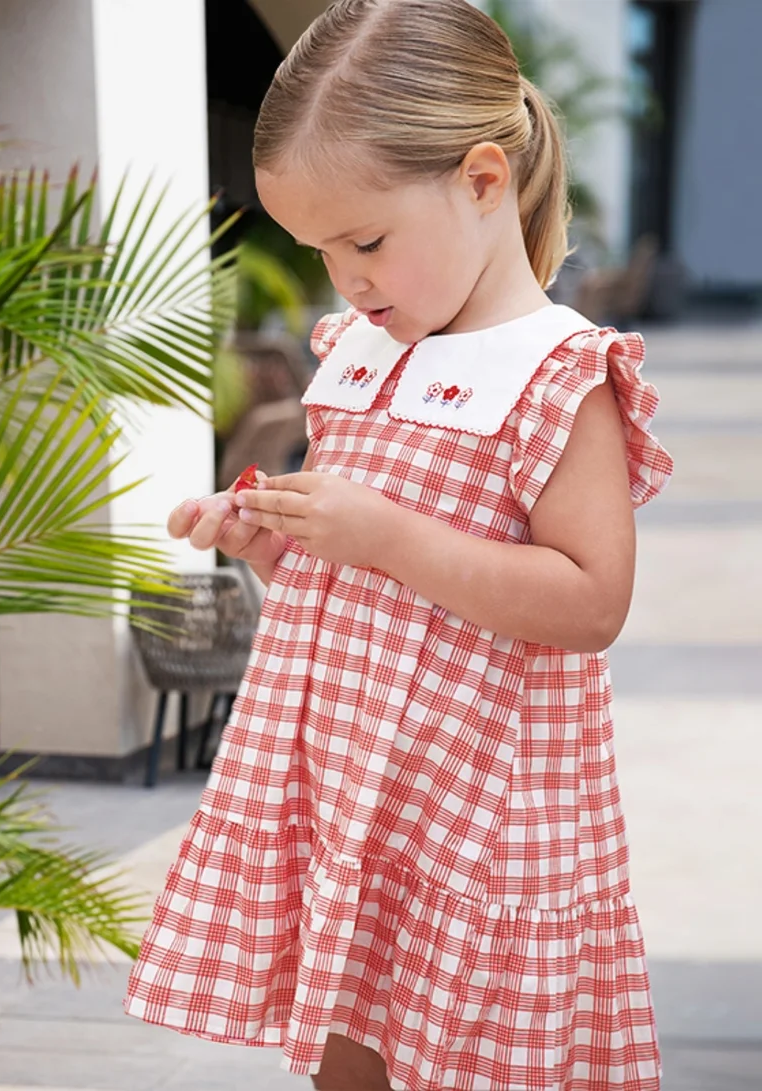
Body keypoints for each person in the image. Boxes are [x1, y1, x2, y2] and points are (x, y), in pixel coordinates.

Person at [124, 2, 673, 1088]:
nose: (347, 280)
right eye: (322, 250)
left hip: (479, 816)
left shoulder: (556, 372)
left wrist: (383, 533)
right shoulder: (360, 352)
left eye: (365, 241)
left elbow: (589, 599)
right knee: (349, 1051)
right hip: (352, 790)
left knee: (465, 1062)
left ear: (480, 180)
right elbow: (357, 587)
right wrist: (276, 541)